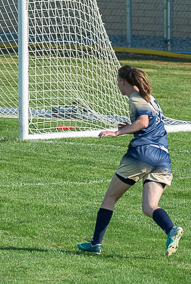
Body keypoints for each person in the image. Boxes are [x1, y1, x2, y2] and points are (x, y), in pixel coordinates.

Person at [77, 65, 183, 257]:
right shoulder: (150, 99)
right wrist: (130, 126)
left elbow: (143, 122)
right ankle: (171, 229)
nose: (118, 85)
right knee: (149, 207)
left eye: (118, 81)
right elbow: (150, 124)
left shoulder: (135, 98)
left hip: (142, 154)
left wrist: (117, 132)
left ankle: (95, 244)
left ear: (123, 81)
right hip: (162, 158)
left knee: (110, 198)